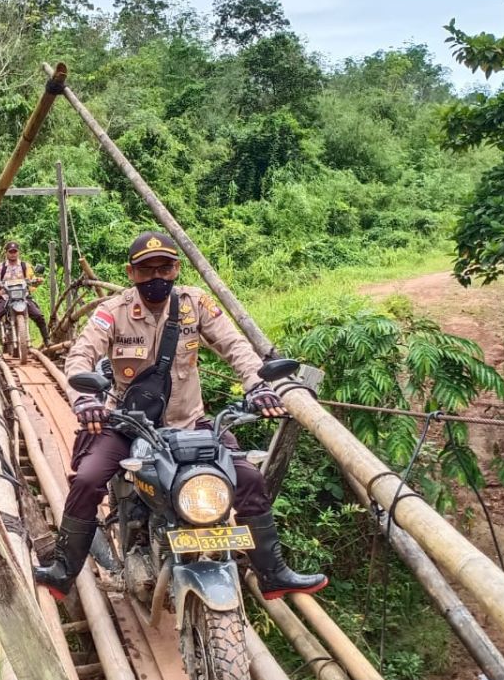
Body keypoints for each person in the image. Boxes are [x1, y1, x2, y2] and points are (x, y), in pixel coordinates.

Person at [34, 230, 328, 601]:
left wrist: (258, 385)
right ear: (131, 272)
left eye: (165, 267)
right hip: (128, 423)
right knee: (89, 479)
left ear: (177, 268)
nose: (157, 277)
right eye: (147, 270)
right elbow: (80, 356)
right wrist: (84, 399)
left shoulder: (196, 305)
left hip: (189, 424)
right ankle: (63, 571)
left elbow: (235, 346)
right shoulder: (112, 311)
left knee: (249, 478)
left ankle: (273, 573)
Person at [0, 241, 50, 346]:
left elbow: (32, 280)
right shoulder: (1, 267)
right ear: (6, 253)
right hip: (5, 298)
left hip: (23, 297)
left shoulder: (25, 266)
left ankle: (47, 340)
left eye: (15, 251)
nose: (13, 254)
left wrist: (37, 280)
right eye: (10, 251)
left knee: (39, 315)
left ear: (18, 252)